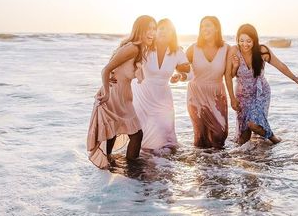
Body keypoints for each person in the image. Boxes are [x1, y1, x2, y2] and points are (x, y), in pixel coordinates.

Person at [87, 16, 157, 169]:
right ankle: (132, 171)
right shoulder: (132, 47)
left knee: (114, 132)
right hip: (113, 96)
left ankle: (111, 168)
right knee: (135, 135)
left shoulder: (140, 49)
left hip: (124, 96)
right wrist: (106, 93)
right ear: (140, 30)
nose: (152, 32)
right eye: (149, 29)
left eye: (154, 29)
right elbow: (106, 70)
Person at [225, 24, 298, 146]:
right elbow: (227, 76)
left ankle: (274, 139)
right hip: (242, 95)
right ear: (237, 39)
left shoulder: (262, 51)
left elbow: (280, 65)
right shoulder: (234, 51)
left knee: (254, 124)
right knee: (243, 141)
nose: (244, 44)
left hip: (260, 93)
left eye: (248, 41)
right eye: (241, 40)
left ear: (254, 40)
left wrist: (294, 78)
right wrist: (232, 98)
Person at [132, 18, 190, 152]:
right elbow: (128, 63)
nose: (164, 31)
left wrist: (181, 76)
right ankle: (143, 165)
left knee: (165, 134)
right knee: (142, 133)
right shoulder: (144, 48)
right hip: (142, 96)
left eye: (168, 29)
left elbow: (190, 73)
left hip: (163, 97)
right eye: (161, 28)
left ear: (173, 34)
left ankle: (163, 165)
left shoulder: (177, 52)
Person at [186, 16, 229, 148]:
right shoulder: (193, 48)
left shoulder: (226, 49)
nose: (205, 29)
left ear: (216, 28)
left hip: (217, 95)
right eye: (202, 26)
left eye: (208, 25)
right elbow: (183, 68)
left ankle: (218, 165)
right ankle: (203, 165)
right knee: (201, 138)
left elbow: (230, 74)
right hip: (196, 95)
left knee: (220, 135)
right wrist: (179, 75)